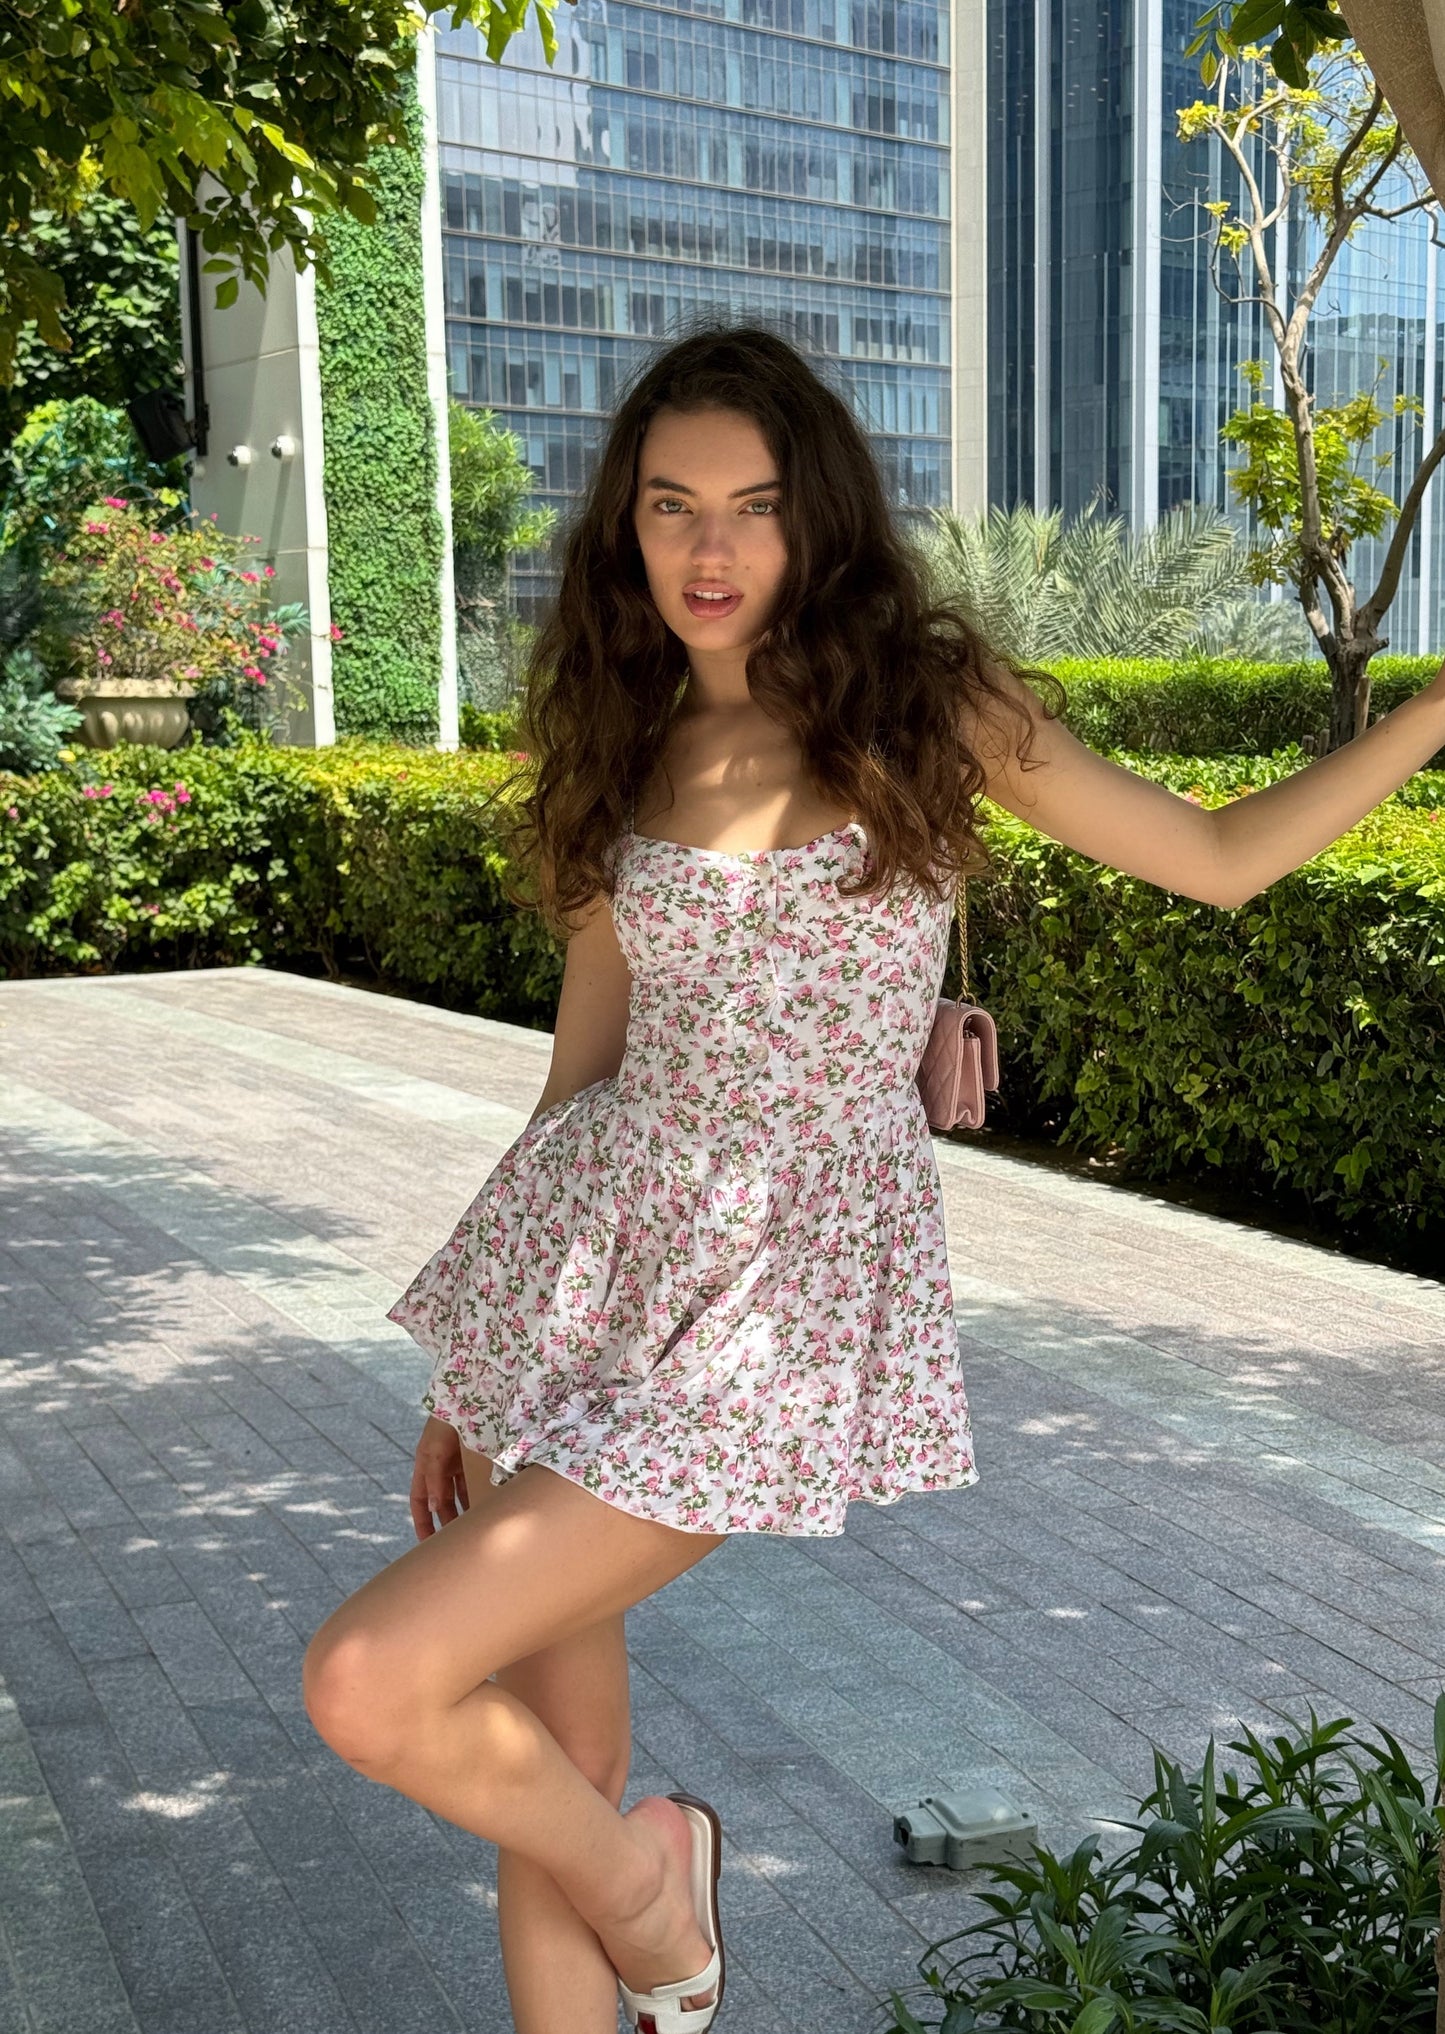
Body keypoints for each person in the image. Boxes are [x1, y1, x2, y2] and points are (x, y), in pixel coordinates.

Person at [301, 323, 1445, 2033]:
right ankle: (625, 1881)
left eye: (752, 508)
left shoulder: (921, 709)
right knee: (551, 1762)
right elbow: (579, 1078)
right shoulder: (622, 744)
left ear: (813, 520)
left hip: (774, 1305)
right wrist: (478, 1366)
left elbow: (1218, 859)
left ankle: (650, 1885)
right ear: (625, 522)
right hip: (598, 1269)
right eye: (672, 504)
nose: (710, 549)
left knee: (373, 1680)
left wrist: (1435, 714)